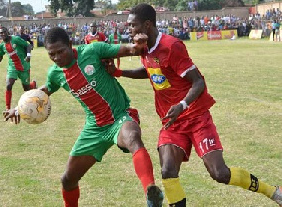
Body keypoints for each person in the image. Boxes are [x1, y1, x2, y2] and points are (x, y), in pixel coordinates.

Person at [108, 3, 282, 207]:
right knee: (167, 171)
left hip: (196, 117)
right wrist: (119, 73)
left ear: (147, 25)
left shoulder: (172, 46)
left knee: (220, 173)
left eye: (132, 25)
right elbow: (152, 72)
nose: (129, 30)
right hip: (171, 121)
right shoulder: (144, 48)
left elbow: (198, 81)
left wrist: (182, 105)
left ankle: (273, 192)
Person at [3, 27, 164, 207]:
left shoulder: (93, 51)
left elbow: (129, 50)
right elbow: (45, 90)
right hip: (94, 127)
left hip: (119, 116)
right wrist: (19, 108)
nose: (56, 58)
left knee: (133, 137)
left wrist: (138, 44)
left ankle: (151, 193)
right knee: (68, 180)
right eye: (52, 54)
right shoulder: (56, 73)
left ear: (71, 45)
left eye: (60, 52)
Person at [0, 27, 36, 110]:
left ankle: (33, 85)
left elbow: (28, 45)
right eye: (1, 33)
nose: (3, 34)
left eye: (4, 32)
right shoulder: (2, 45)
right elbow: (0, 56)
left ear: (7, 32)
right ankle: (7, 108)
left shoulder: (16, 39)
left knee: (26, 89)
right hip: (12, 68)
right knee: (8, 85)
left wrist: (28, 56)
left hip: (24, 66)